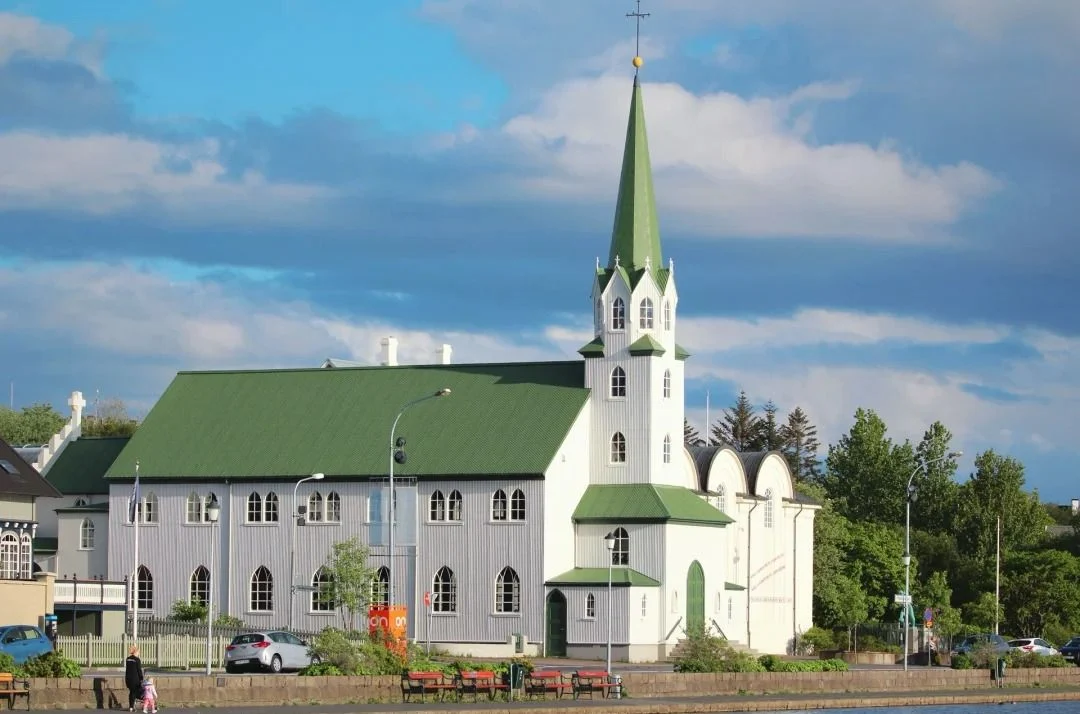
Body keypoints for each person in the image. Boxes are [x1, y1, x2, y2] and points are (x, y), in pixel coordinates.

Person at [124, 646, 144, 711]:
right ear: (136, 652)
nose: (139, 653)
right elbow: (139, 670)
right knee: (135, 692)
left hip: (128, 679)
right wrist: (141, 678)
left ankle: (131, 706)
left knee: (132, 692)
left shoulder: (128, 659)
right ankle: (132, 707)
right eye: (138, 652)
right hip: (135, 680)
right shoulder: (137, 660)